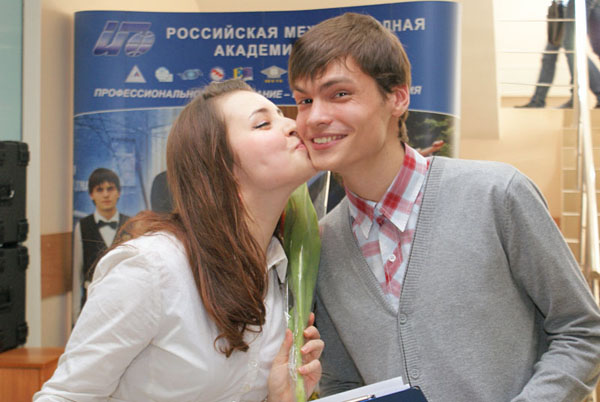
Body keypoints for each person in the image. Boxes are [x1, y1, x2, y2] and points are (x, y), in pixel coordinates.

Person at [288, 12, 600, 401]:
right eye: (304, 100)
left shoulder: (497, 194)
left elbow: (581, 331)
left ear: (397, 97)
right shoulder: (323, 243)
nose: (315, 117)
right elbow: (345, 383)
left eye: (339, 94)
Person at [35, 79, 323, 401]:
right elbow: (64, 396)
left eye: (282, 115)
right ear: (219, 166)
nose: (293, 126)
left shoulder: (280, 271)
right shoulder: (151, 268)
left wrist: (279, 397)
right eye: (262, 124)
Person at [72, 167, 130, 323]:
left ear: (118, 192)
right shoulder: (82, 227)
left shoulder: (131, 224)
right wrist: (76, 316)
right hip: (92, 304)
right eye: (99, 190)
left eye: (110, 189)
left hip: (125, 304)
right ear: (91, 194)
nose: (105, 194)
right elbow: (77, 273)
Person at [518, 0, 600, 108]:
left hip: (574, 3)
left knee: (572, 48)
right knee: (551, 51)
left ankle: (580, 97)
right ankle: (538, 100)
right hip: (562, 5)